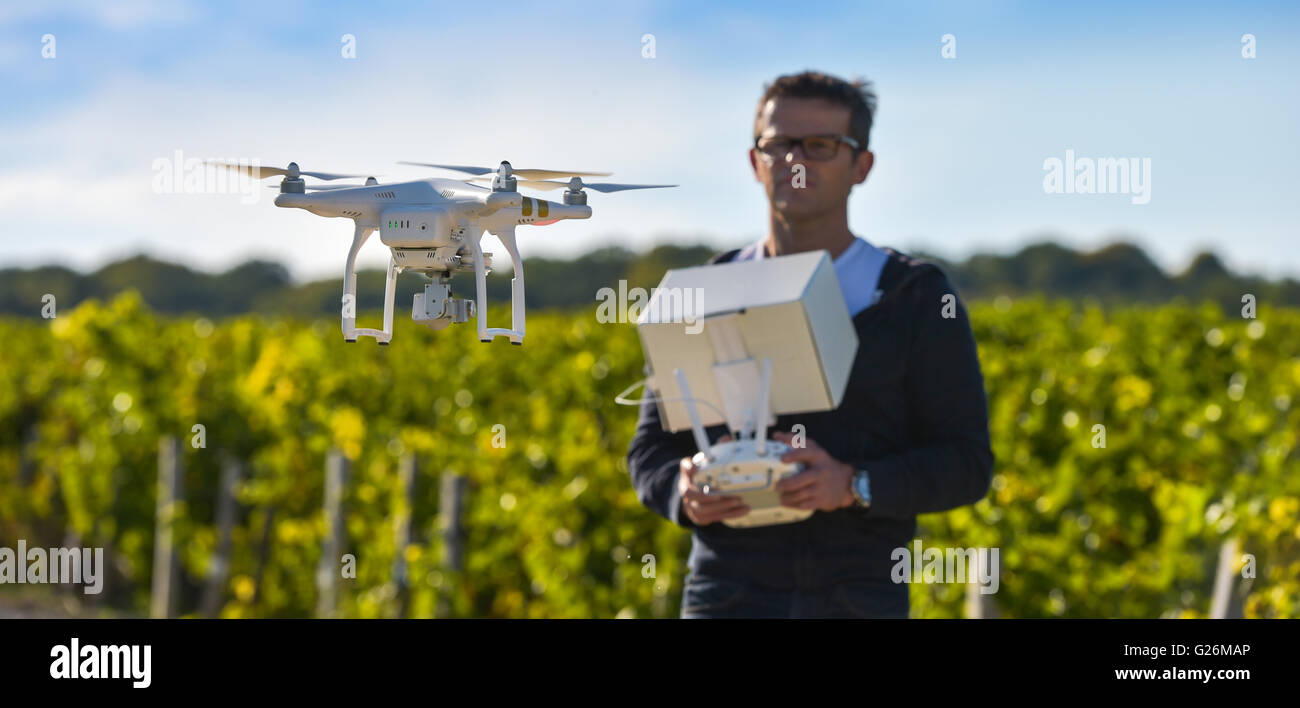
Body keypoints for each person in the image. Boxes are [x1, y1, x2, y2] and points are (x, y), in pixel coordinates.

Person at [625, 70, 995, 618]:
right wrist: (682, 493)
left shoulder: (913, 296)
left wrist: (855, 484)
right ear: (755, 162)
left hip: (860, 592)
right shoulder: (707, 289)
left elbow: (966, 463)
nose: (795, 161)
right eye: (778, 145)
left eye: (821, 146)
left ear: (861, 167)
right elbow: (651, 451)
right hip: (726, 591)